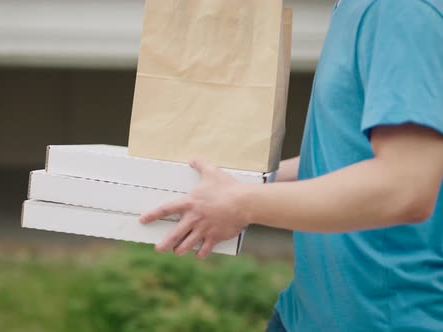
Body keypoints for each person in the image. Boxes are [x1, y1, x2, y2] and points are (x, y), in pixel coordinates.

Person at [139, 0, 443, 331]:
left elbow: (404, 187)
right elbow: (351, 154)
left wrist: (242, 205)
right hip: (305, 313)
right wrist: (249, 185)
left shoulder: (401, 11)